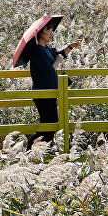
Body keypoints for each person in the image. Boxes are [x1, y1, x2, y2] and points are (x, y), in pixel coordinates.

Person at [26, 22, 82, 151]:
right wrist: (57, 62)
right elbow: (48, 72)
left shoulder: (45, 48)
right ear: (40, 33)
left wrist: (71, 46)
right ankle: (30, 150)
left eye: (52, 30)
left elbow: (59, 54)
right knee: (49, 127)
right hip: (43, 93)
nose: (51, 33)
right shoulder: (37, 51)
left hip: (49, 93)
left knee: (50, 126)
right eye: (48, 31)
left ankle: (42, 151)